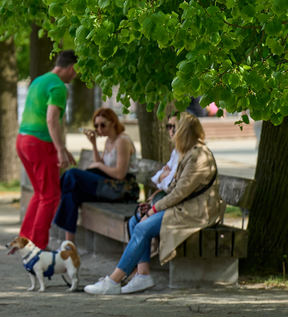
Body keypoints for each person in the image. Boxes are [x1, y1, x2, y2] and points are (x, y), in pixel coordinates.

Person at [86, 113, 224, 295]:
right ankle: (142, 275)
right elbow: (174, 187)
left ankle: (113, 281)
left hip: (195, 212)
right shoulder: (187, 152)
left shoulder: (198, 156)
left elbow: (179, 193)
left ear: (184, 131)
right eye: (168, 126)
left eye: (173, 127)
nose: (169, 131)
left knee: (142, 227)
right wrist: (153, 202)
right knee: (135, 221)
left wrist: (153, 210)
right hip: (182, 207)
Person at [16, 50, 78, 249]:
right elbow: (51, 119)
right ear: (71, 67)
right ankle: (38, 246)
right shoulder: (58, 87)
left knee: (40, 193)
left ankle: (25, 240)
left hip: (23, 139)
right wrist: (59, 149)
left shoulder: (39, 81)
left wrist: (63, 148)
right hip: (40, 143)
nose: (75, 76)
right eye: (76, 71)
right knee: (50, 196)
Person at [52, 107, 136, 242]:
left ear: (113, 123)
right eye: (96, 126)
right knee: (72, 193)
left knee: (72, 174)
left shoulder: (122, 141)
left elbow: (120, 174)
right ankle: (69, 245)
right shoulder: (109, 141)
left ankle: (54, 193)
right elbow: (100, 164)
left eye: (103, 125)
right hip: (107, 185)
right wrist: (94, 145)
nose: (99, 129)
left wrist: (98, 166)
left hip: (121, 189)